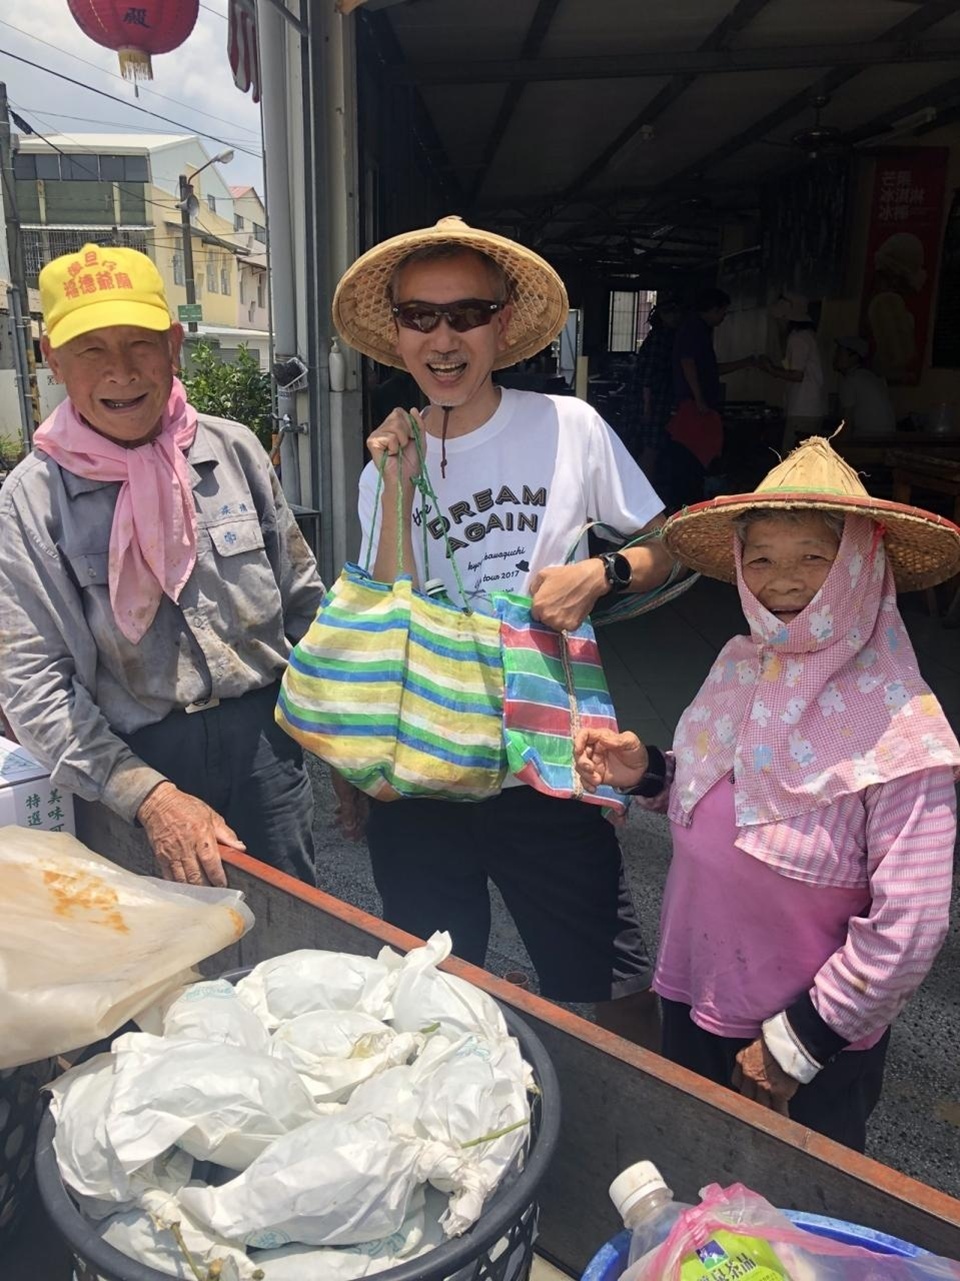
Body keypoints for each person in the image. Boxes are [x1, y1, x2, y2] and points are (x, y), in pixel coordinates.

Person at [331, 215, 677, 1047]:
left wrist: (606, 572)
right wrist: (397, 481)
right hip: (422, 772)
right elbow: (382, 617)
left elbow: (671, 543)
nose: (443, 338)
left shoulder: (568, 427)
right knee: (430, 988)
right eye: (420, 316)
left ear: (502, 325)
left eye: (466, 314)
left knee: (616, 981)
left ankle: (641, 1143)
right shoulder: (384, 463)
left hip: (547, 766)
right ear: (399, 333)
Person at [574, 436, 960, 1149]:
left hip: (807, 1040)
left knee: (791, 1227)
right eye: (762, 558)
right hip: (697, 995)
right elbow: (725, 791)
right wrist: (649, 771)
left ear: (860, 564)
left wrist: (796, 1044)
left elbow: (911, 926)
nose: (784, 578)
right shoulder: (738, 663)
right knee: (703, 1186)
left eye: (814, 556)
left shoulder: (908, 728)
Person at [0, 244, 324, 888]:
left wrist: (340, 743)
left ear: (173, 345)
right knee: (169, 960)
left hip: (266, 745)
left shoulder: (235, 451)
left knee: (293, 942)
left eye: (140, 343)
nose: (121, 371)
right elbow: (32, 679)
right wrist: (149, 796)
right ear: (53, 360)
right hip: (132, 761)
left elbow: (306, 605)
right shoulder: (32, 500)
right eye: (91, 348)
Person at [666, 288, 756, 510]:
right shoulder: (693, 329)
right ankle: (689, 503)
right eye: (723, 312)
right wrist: (699, 399)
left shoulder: (700, 330)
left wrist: (745, 363)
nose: (724, 318)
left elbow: (710, 370)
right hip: (694, 406)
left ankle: (693, 499)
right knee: (692, 457)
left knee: (697, 457)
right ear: (714, 309)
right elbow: (688, 364)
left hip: (698, 404)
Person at [760, 294, 827, 452]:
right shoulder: (806, 336)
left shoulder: (798, 338)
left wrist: (770, 369)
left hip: (803, 410)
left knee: (793, 460)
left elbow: (796, 375)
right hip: (809, 409)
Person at [632, 297, 682, 483]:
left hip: (658, 401)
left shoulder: (666, 337)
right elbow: (648, 376)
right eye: (671, 313)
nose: (676, 317)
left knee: (654, 448)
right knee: (650, 449)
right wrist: (647, 407)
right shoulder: (659, 339)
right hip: (653, 402)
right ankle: (642, 490)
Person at [832, 335, 896, 436]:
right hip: (887, 435)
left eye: (840, 353)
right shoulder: (870, 376)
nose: (835, 357)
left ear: (854, 357)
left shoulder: (851, 379)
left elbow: (847, 422)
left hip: (870, 437)